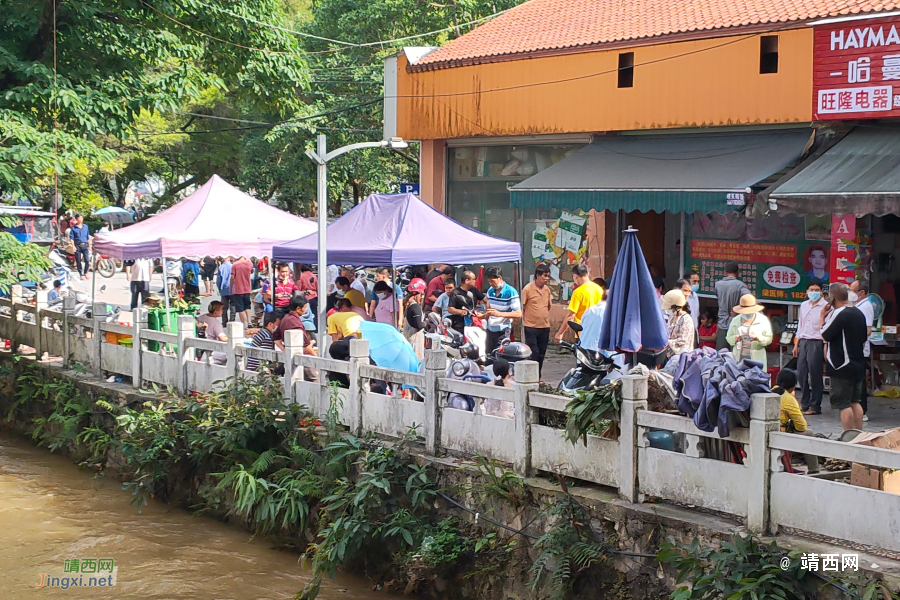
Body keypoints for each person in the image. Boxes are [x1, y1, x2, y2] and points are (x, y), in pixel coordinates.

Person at [821, 282, 868, 431]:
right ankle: (858, 435)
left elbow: (824, 334)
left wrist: (822, 317)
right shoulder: (858, 312)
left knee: (843, 404)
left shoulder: (839, 313)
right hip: (857, 363)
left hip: (841, 365)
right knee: (855, 401)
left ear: (832, 297)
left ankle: (848, 437)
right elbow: (864, 336)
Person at [772, 369, 819, 474]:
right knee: (809, 433)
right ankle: (814, 470)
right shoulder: (788, 398)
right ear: (793, 387)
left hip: (769, 434)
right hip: (779, 438)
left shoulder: (769, 391)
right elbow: (802, 426)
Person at [793, 279, 827, 416]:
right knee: (801, 372)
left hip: (817, 341)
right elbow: (800, 325)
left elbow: (826, 327)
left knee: (815, 374)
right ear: (807, 291)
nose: (814, 292)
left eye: (816, 290)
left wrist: (825, 346)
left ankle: (815, 405)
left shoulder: (826, 306)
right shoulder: (804, 305)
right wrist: (796, 343)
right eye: (811, 290)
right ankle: (805, 402)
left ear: (821, 291)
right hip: (804, 340)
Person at [554, 264, 603, 344]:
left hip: (583, 332)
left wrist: (560, 333)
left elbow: (570, 316)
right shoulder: (599, 289)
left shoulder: (578, 292)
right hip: (597, 332)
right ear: (588, 274)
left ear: (575, 276)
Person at [726, 294, 773, 368]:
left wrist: (759, 338)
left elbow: (769, 339)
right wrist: (736, 338)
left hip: (756, 358)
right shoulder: (735, 320)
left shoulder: (763, 320)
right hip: (738, 357)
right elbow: (728, 337)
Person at [850, 279, 874, 420]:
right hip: (855, 348)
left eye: (852, 291)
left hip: (860, 349)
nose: (850, 293)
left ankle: (862, 410)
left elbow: (867, 330)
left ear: (861, 292)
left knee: (860, 381)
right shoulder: (857, 305)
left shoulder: (866, 307)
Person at [521, 263, 552, 373]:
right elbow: (523, 307)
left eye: (548, 276)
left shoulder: (547, 290)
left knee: (542, 354)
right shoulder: (527, 289)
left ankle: (538, 377)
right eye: (545, 276)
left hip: (544, 326)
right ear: (537, 276)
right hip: (531, 327)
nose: (546, 279)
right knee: (534, 352)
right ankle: (531, 376)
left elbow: (548, 306)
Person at [483, 266, 521, 355]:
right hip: (490, 329)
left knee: (500, 356)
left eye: (492, 281)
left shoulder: (511, 292)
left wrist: (499, 314)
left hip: (503, 331)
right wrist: (483, 315)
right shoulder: (490, 291)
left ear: (500, 278)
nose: (490, 284)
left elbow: (518, 314)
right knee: (489, 356)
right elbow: (488, 309)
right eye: (489, 281)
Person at [714, 261, 751, 350]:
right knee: (735, 354)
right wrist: (739, 309)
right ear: (737, 272)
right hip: (737, 324)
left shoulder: (717, 285)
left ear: (725, 272)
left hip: (722, 323)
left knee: (721, 355)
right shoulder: (741, 286)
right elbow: (750, 300)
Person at [662, 289, 695, 355]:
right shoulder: (672, 317)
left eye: (671, 308)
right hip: (668, 356)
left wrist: (667, 342)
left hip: (680, 358)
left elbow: (683, 341)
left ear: (677, 307)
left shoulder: (686, 319)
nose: (669, 310)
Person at [448, 271, 478, 335]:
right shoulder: (455, 293)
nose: (475, 281)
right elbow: (450, 309)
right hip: (460, 323)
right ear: (467, 281)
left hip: (473, 321)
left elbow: (485, 299)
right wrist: (461, 312)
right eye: (473, 279)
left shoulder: (474, 290)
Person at [403, 278, 427, 361]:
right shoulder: (415, 307)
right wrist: (426, 322)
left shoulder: (408, 304)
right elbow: (418, 325)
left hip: (408, 338)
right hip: (415, 340)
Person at [230, 256, 253, 328]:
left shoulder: (235, 264)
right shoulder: (249, 264)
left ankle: (244, 324)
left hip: (238, 289)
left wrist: (230, 287)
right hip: (247, 288)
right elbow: (251, 271)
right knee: (247, 306)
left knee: (240, 308)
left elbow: (233, 277)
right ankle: (249, 322)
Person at [68, 214, 91, 279]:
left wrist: (89, 246)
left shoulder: (85, 227)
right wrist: (73, 246)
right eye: (79, 218)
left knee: (87, 260)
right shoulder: (73, 228)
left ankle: (86, 272)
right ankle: (81, 274)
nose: (81, 220)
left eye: (81, 218)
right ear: (76, 219)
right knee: (78, 260)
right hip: (77, 245)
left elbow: (87, 237)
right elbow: (72, 238)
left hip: (85, 245)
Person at [216, 257, 233, 327]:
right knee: (233, 305)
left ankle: (224, 321)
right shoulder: (233, 266)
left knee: (224, 307)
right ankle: (232, 320)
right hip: (233, 289)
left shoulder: (221, 267)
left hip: (224, 289)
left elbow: (218, 280)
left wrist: (219, 289)